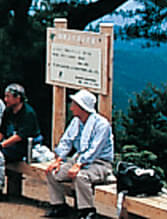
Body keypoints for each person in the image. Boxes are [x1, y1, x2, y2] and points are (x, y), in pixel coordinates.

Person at [42, 89, 114, 219]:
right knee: (52, 172)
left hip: (99, 163)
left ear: (82, 107)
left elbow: (94, 149)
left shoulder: (102, 125)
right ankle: (59, 205)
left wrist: (79, 164)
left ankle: (87, 211)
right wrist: (58, 160)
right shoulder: (77, 121)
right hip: (79, 158)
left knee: (81, 176)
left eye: (74, 104)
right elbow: (66, 141)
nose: (71, 108)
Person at [0, 83, 41, 203]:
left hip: (25, 147)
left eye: (8, 96)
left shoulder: (28, 113)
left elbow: (20, 136)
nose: (5, 99)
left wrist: (0, 146)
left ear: (18, 98)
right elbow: (2, 130)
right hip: (10, 145)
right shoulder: (8, 110)